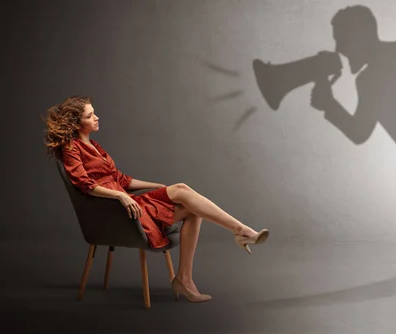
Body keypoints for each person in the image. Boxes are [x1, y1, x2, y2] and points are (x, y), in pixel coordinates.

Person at [43, 95, 269, 303]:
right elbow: (85, 185)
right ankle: (241, 232)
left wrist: (158, 186)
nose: (97, 117)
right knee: (182, 192)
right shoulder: (71, 148)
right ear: (76, 123)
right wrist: (120, 196)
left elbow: (121, 179)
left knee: (187, 201)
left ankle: (185, 278)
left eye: (94, 112)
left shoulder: (95, 146)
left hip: (126, 204)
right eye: (90, 115)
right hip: (114, 212)